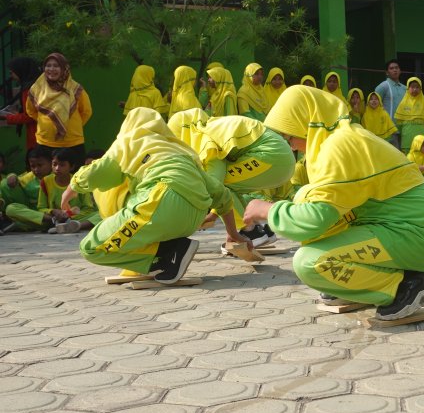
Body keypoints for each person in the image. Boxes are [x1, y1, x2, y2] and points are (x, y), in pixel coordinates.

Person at [245, 86, 424, 320]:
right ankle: (363, 287)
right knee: (305, 201)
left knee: (310, 262)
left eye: (289, 135)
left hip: (416, 237)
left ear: (306, 124)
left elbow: (315, 220)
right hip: (402, 231)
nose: (290, 145)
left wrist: (268, 210)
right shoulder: (339, 139)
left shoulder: (339, 146)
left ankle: (405, 285)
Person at [61, 107, 248, 283]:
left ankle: (168, 255)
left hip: (160, 203)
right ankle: (172, 252)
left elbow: (97, 172)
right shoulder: (181, 151)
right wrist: (233, 234)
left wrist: (71, 189)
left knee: (91, 248)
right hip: (194, 217)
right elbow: (222, 196)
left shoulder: (128, 141)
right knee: (147, 223)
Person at [167, 108, 294, 250]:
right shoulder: (213, 127)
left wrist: (202, 213)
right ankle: (259, 231)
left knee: (219, 185)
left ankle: (250, 231)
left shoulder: (203, 137)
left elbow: (216, 184)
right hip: (281, 158)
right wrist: (214, 215)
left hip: (271, 156)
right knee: (232, 186)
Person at [26, 53, 92, 166]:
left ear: (64, 68)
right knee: (46, 180)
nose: (51, 69)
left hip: (72, 143)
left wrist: (69, 125)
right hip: (45, 142)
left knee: (74, 179)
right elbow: (31, 110)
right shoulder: (37, 88)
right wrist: (48, 121)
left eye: (56, 66)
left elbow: (86, 111)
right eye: (48, 65)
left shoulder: (75, 89)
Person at [1, 146, 53, 232]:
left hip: (54, 212)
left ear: (51, 163)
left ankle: (22, 224)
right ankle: (49, 220)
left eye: (40, 165)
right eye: (32, 166)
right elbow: (14, 179)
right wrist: (12, 176)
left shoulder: (59, 176)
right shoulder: (28, 178)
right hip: (36, 215)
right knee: (10, 208)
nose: (36, 169)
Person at [2, 57, 42, 150]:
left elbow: (30, 116)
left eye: (13, 71)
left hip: (38, 137)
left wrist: (7, 117)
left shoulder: (30, 90)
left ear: (21, 70)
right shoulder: (37, 86)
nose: (11, 75)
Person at [394, 77, 424, 153]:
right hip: (407, 133)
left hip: (420, 131)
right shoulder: (403, 103)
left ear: (421, 89)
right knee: (408, 153)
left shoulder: (423, 103)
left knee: (421, 151)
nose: (415, 89)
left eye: (417, 87)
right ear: (408, 88)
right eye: (412, 87)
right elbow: (399, 123)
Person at [374, 59, 407, 124]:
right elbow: (373, 105)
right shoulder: (383, 86)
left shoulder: (405, 88)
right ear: (387, 72)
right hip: (388, 128)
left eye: (396, 68)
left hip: (403, 127)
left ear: (400, 71)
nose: (395, 70)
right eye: (391, 68)